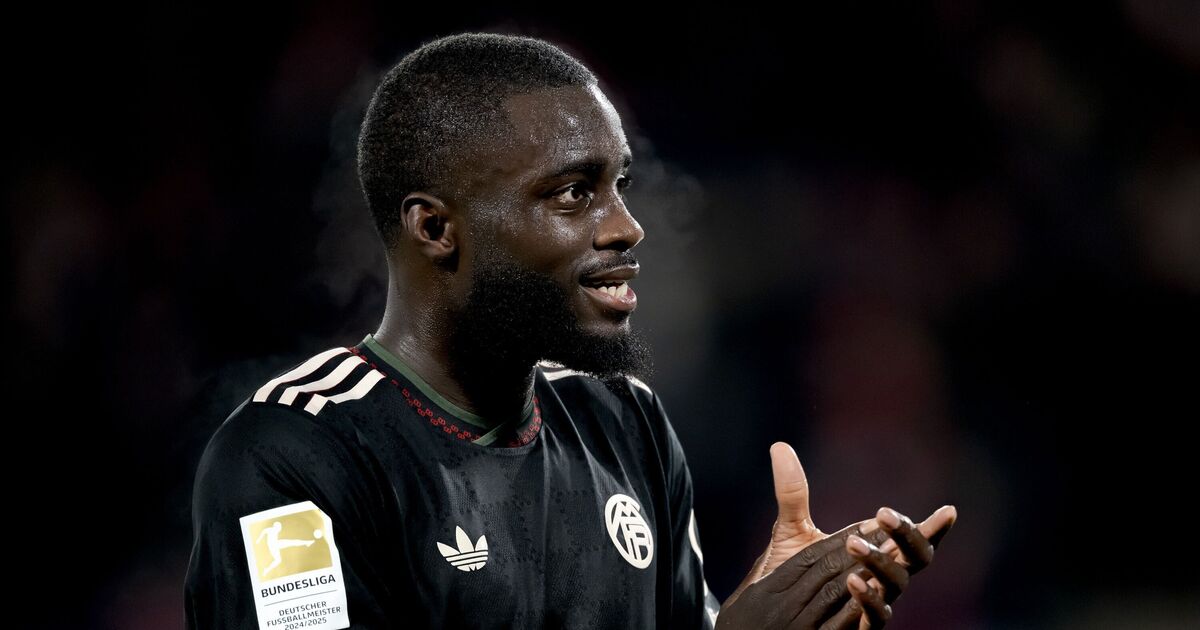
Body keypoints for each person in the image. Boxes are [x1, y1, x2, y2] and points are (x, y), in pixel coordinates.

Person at [183, 31, 957, 630]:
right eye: (573, 193)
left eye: (620, 185)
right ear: (437, 229)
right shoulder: (295, 458)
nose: (626, 226)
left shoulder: (625, 426)